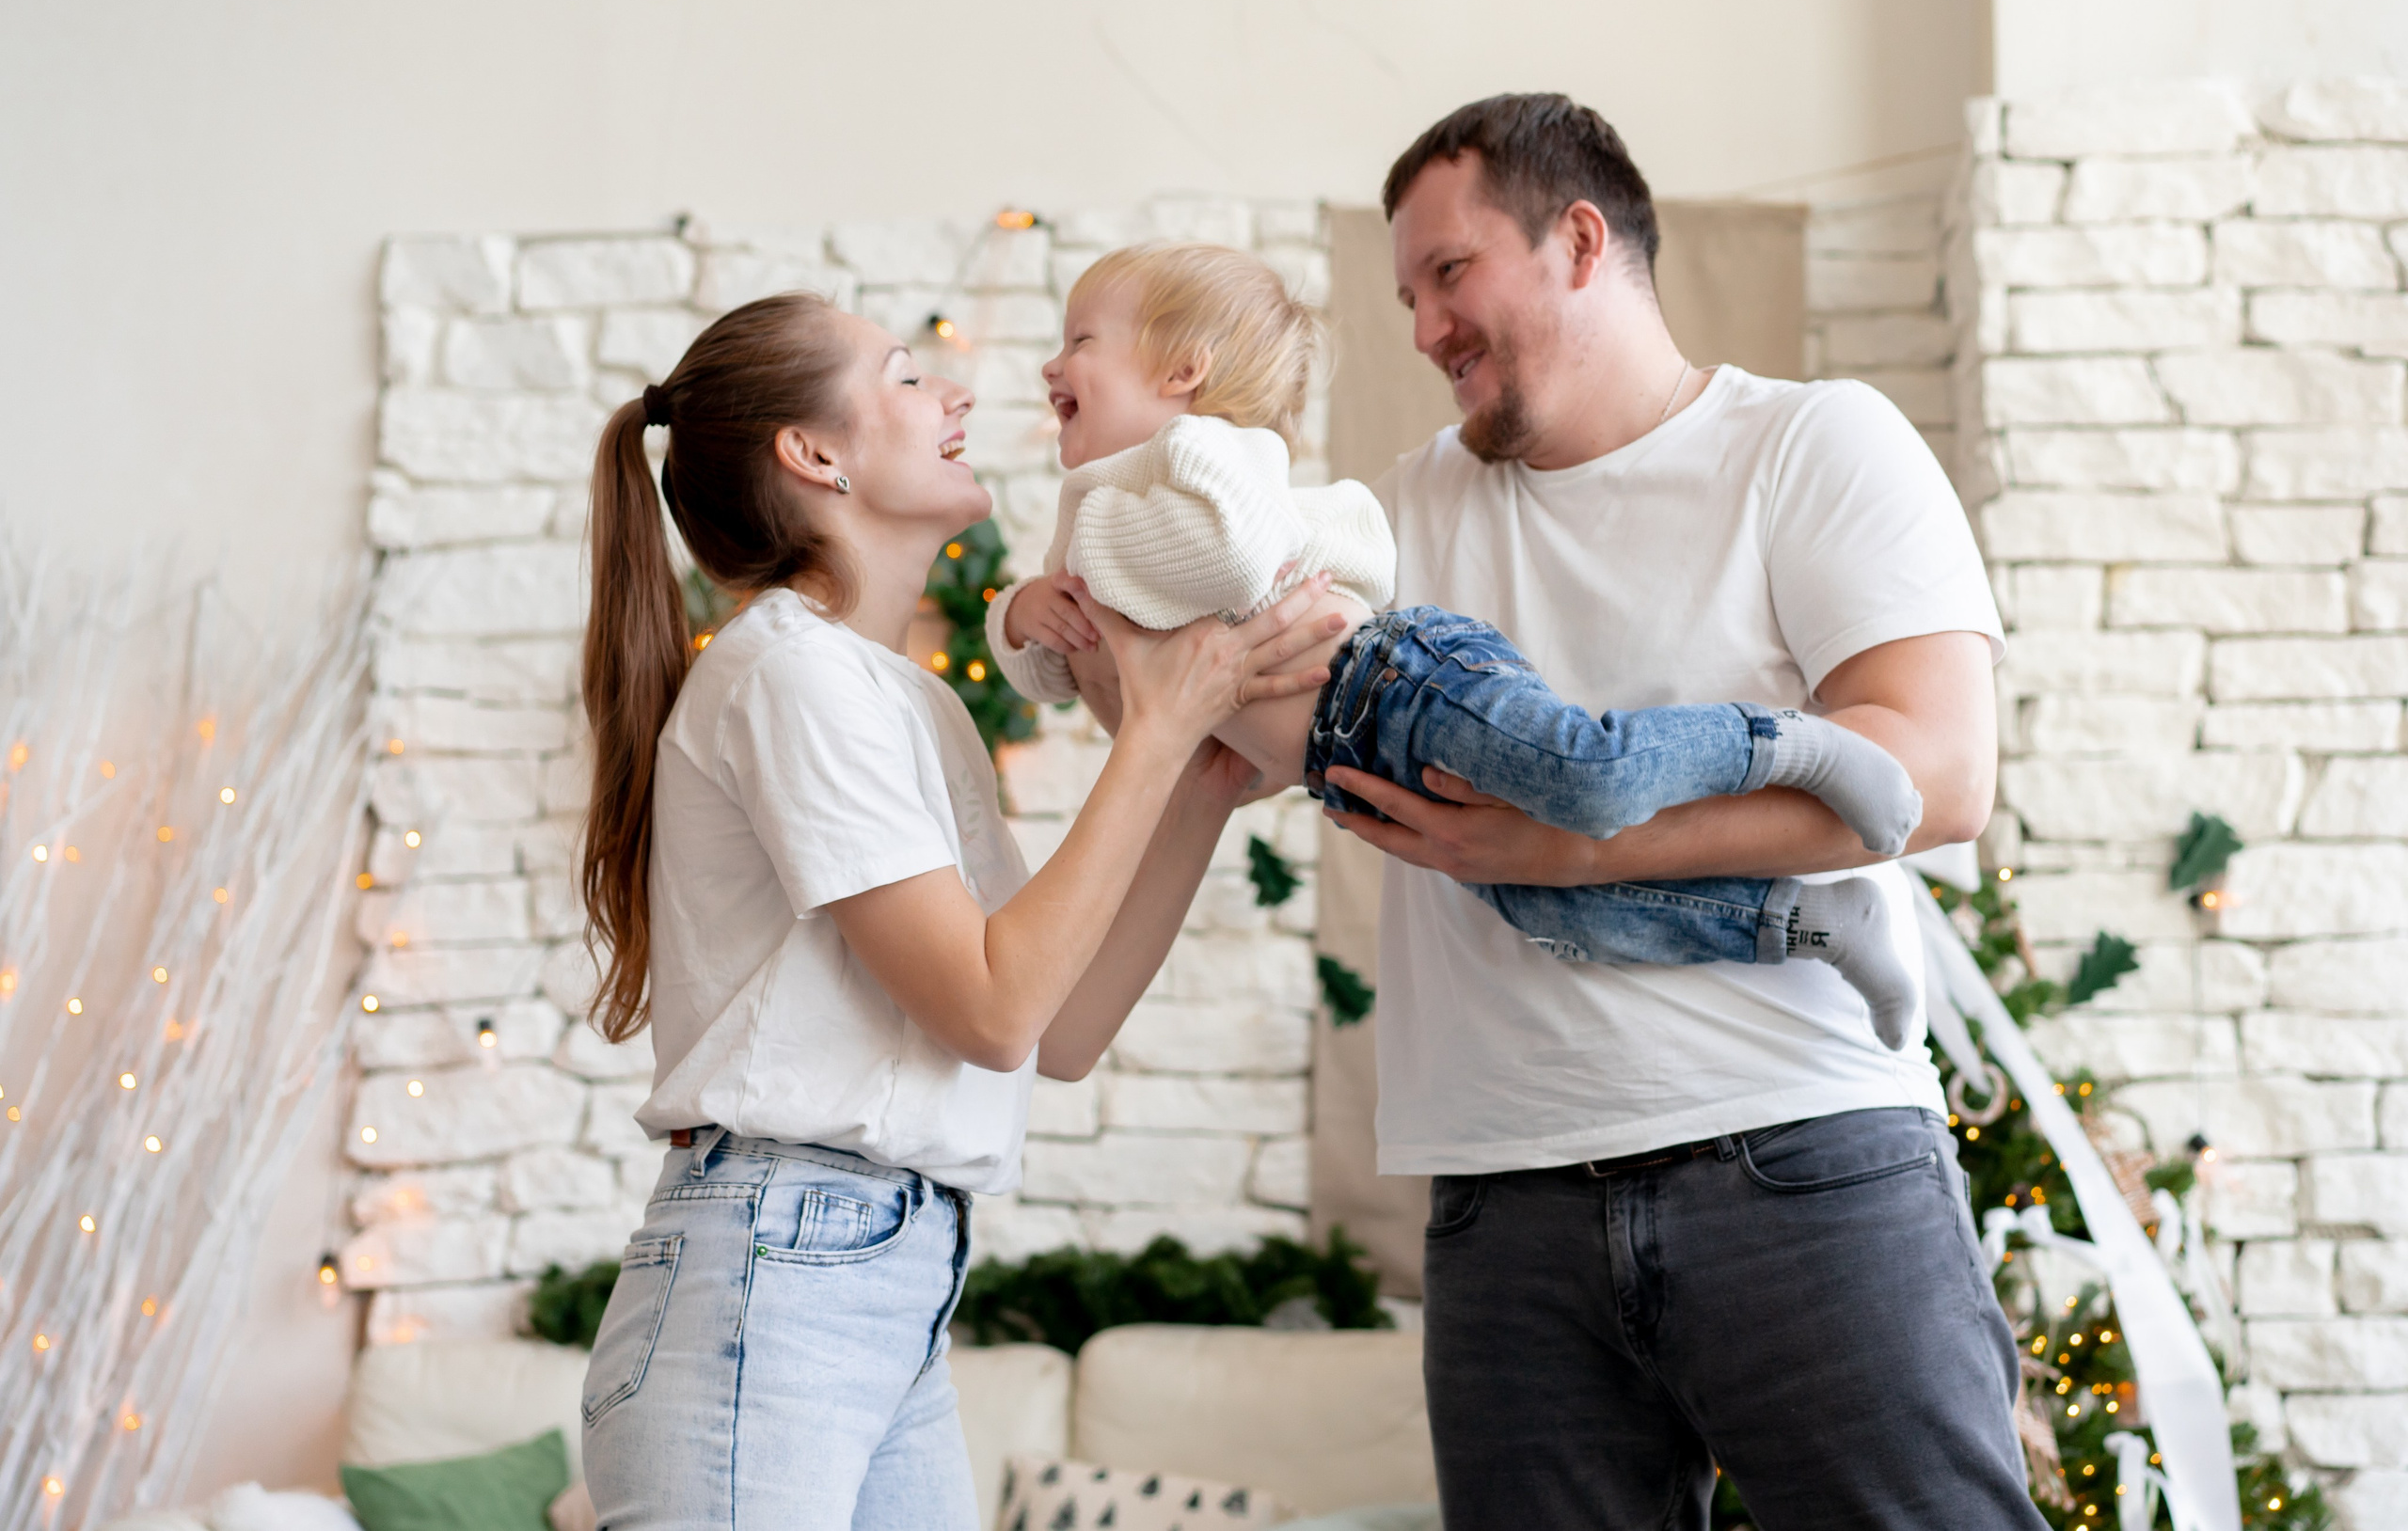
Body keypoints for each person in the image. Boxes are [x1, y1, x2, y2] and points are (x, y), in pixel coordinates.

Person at [1326, 95, 2040, 1530]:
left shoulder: (1812, 445)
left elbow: (1941, 770)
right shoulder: (1393, 519)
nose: (1425, 329)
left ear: (1581, 239)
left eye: (1450, 273)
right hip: (1501, 1198)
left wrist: (1573, 844)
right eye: (1406, 297)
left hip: (1801, 1147)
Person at [571, 292, 1342, 1531]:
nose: (958, 394)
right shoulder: (790, 674)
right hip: (776, 1270)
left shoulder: (910, 702)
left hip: (882, 1275)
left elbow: (1058, 1028)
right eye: (905, 375)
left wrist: (1199, 777)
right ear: (813, 454)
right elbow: (994, 1009)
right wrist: (1155, 728)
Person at [987, 241, 1926, 1041]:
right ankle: (1810, 923)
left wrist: (1102, 559)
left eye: (1080, 342)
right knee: (1559, 911)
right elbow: (1056, 672)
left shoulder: (1208, 454)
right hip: (1350, 763)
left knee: (1588, 778)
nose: (1050, 367)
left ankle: (1792, 745)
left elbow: (1232, 563)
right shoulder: (1099, 506)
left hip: (1395, 683)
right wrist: (1023, 613)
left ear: (1182, 373)